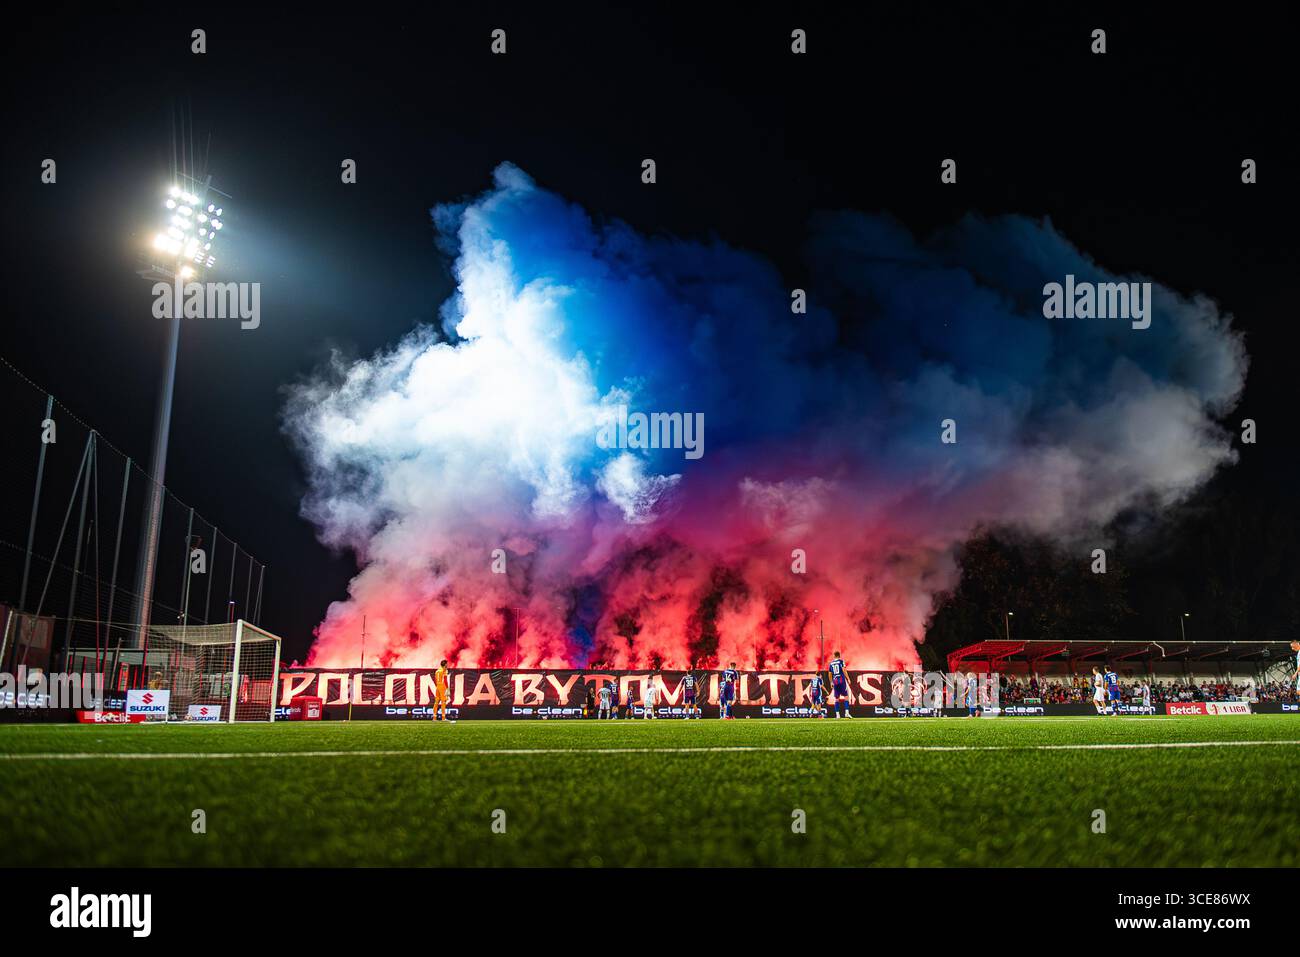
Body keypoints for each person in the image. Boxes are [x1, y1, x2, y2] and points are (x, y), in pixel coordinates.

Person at [828, 651, 851, 718]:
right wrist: (848, 678)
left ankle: (837, 715)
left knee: (836, 698)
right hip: (841, 680)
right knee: (846, 697)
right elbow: (844, 670)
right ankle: (846, 713)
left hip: (835, 681)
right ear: (839, 655)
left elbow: (829, 674)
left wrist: (831, 682)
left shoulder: (831, 663)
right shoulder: (841, 661)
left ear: (834, 656)